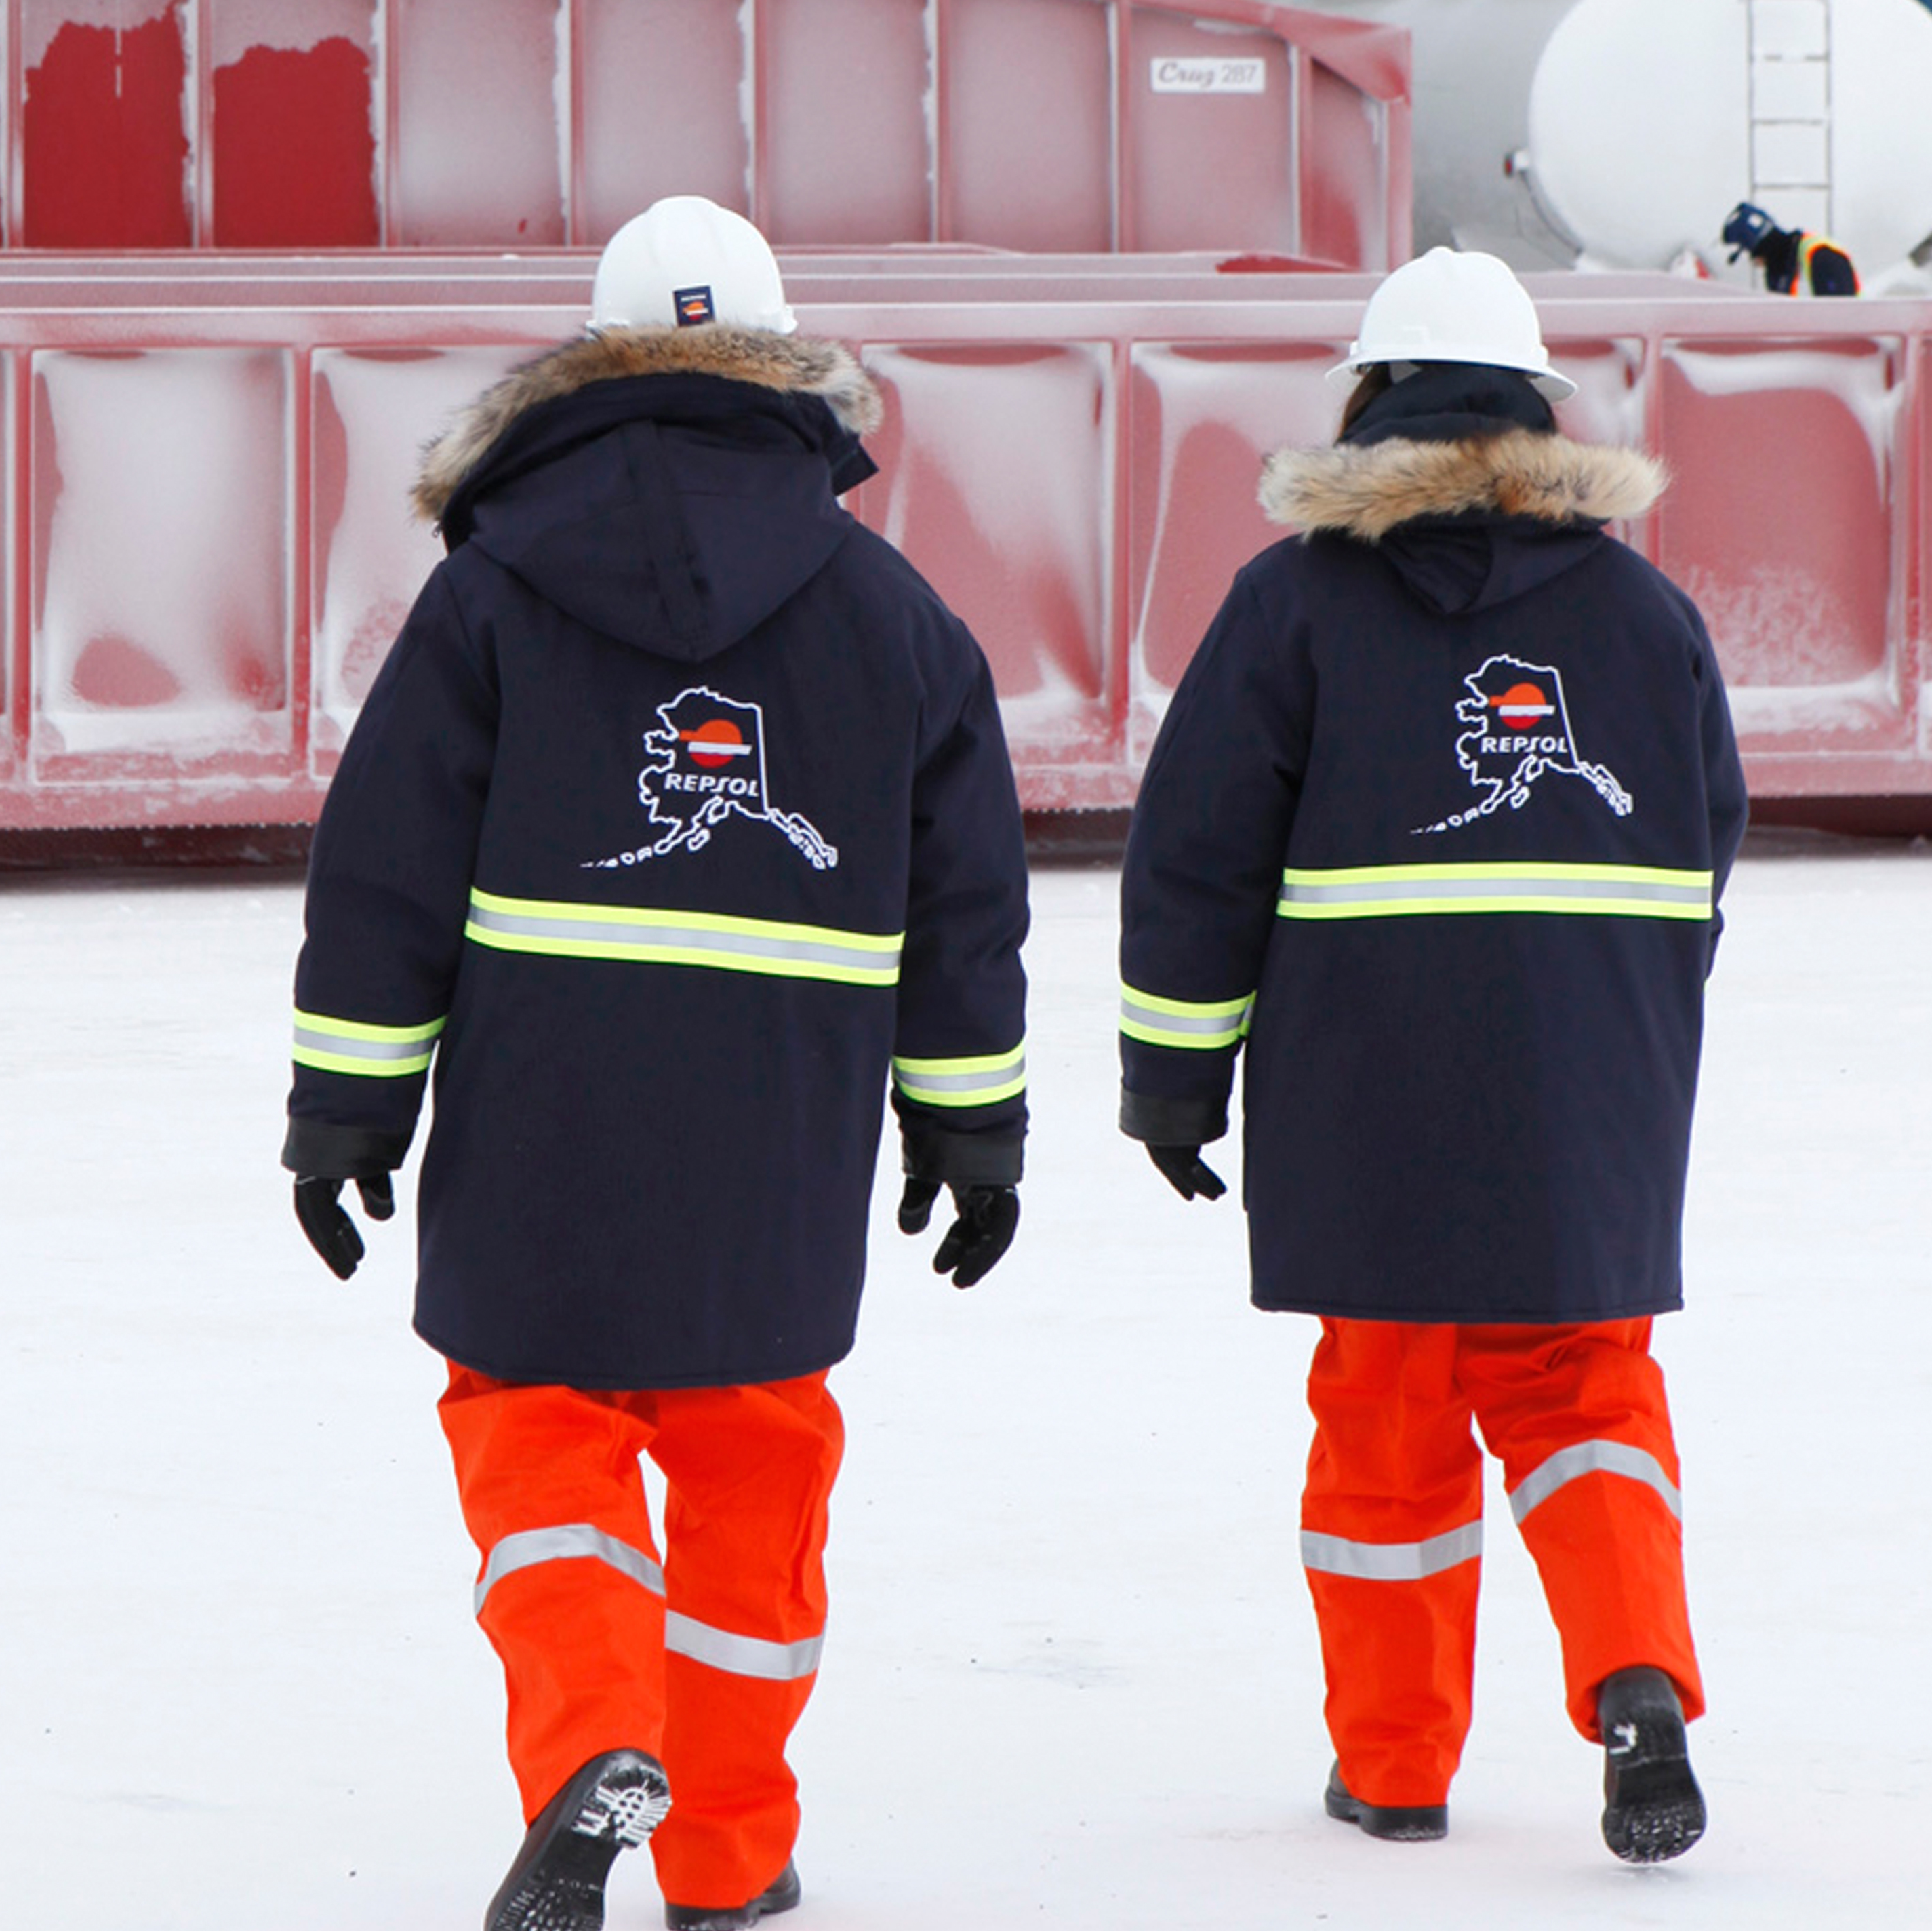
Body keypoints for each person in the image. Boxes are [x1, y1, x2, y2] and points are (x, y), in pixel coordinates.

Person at [283, 194, 1032, 1931]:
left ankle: (586, 1752)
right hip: (778, 1135)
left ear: (593, 360)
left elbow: (383, 866)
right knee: (749, 1482)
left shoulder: (485, 594)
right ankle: (724, 1852)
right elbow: (963, 903)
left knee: (540, 1440)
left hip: (539, 1128)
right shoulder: (895, 616)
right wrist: (969, 1122)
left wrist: (344, 1108)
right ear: (784, 358)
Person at [1114, 247, 1746, 1865]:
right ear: (1534, 405)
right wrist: (1624, 1026)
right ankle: (1635, 1684)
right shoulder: (1643, 612)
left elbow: (1198, 849)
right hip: (1585, 1090)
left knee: (1385, 1409)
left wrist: (1175, 1070)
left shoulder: (1290, 602)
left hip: (1362, 1093)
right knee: (1585, 1388)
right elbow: (1702, 850)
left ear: (1368, 401)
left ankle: (1391, 1764)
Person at [1720, 200, 1859, 296]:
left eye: (1754, 256)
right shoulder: (1782, 270)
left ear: (1761, 250)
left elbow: (1841, 316)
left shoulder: (1820, 255)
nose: (1758, 264)